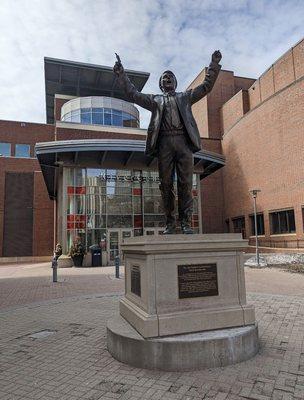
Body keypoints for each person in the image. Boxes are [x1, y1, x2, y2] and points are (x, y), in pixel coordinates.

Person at [113, 51, 222, 234]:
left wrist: (213, 64)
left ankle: (186, 222)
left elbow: (206, 87)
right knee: (165, 185)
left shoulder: (185, 97)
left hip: (183, 143)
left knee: (186, 184)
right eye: (164, 77)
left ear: (175, 82)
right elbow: (133, 94)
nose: (167, 78)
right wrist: (121, 75)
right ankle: (170, 223)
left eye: (170, 76)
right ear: (161, 84)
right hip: (164, 144)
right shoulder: (155, 100)